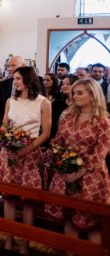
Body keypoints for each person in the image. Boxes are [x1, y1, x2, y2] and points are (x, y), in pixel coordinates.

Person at [0, 66, 51, 254]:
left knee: (28, 201)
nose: (14, 81)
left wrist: (26, 149)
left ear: (28, 79)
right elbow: (4, 125)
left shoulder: (43, 102)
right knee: (8, 198)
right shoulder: (11, 101)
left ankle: (25, 244)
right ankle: (9, 240)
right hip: (9, 152)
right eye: (14, 78)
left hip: (30, 153)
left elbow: (46, 133)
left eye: (17, 78)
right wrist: (5, 139)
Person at [45, 79, 110, 243]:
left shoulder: (103, 122)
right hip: (65, 175)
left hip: (91, 177)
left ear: (93, 95)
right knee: (68, 217)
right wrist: (55, 160)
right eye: (74, 93)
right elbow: (58, 142)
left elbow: (100, 153)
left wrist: (79, 173)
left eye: (80, 93)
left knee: (90, 223)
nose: (74, 96)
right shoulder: (68, 118)